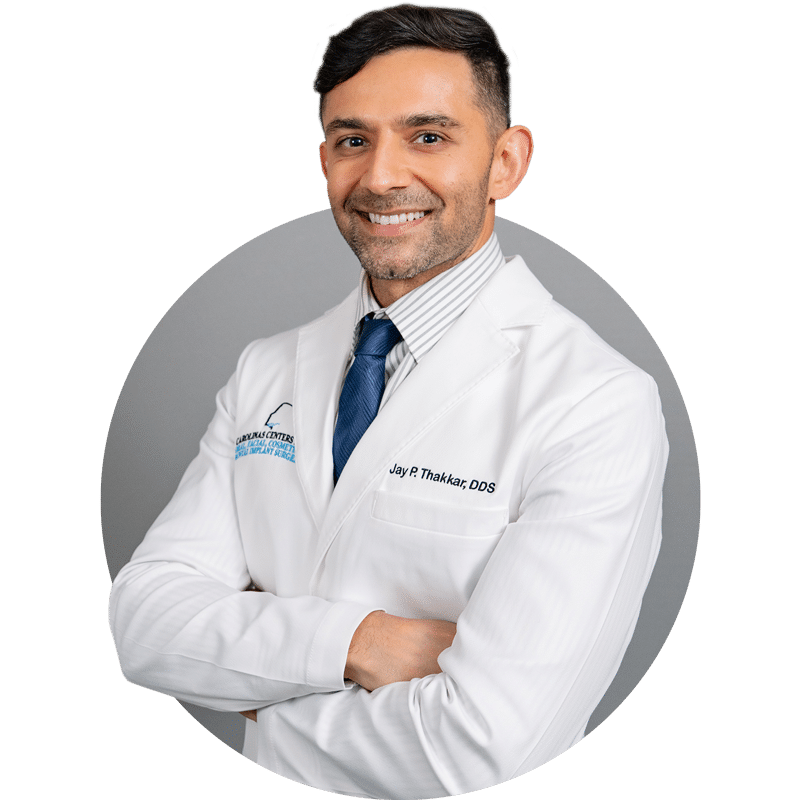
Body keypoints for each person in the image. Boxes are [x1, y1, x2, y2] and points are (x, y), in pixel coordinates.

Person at [108, 5, 668, 798]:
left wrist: (265, 712)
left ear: (507, 161)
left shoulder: (594, 403)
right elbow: (143, 628)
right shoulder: (264, 371)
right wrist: (360, 642)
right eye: (352, 139)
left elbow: (489, 748)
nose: (381, 177)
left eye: (429, 136)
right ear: (325, 159)